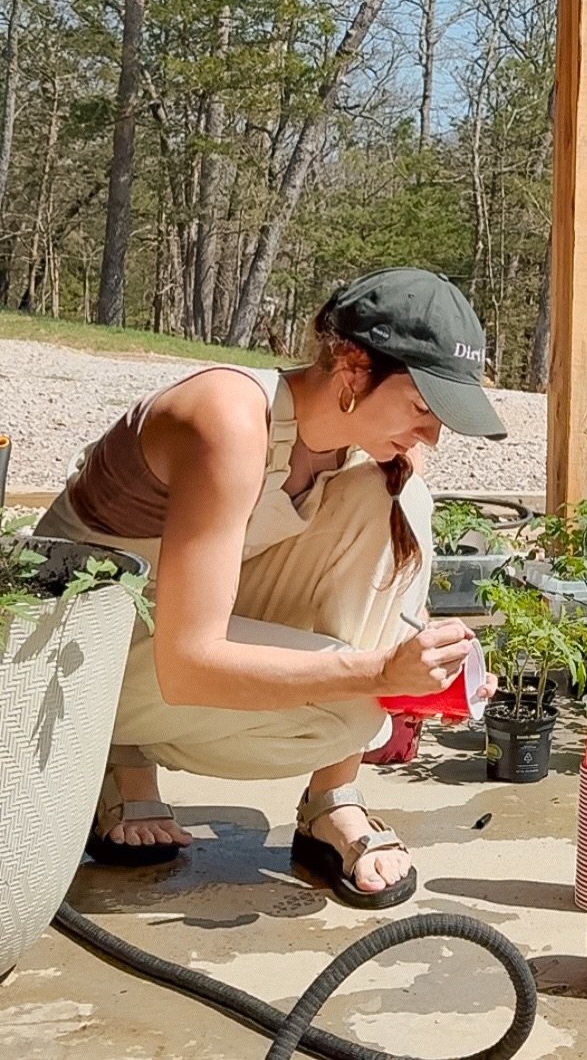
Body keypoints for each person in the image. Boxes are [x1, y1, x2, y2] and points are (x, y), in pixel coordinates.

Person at [36, 268, 505, 909]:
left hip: (166, 620)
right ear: (350, 366)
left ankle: (332, 802)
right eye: (424, 407)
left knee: (397, 495)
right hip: (69, 663)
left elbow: (385, 591)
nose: (431, 434)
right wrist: (373, 674)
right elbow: (191, 666)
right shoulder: (228, 419)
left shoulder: (365, 445)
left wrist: (425, 656)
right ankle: (123, 752)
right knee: (349, 710)